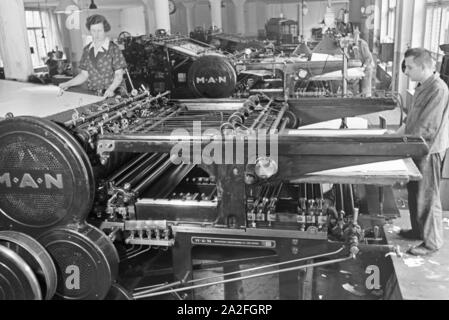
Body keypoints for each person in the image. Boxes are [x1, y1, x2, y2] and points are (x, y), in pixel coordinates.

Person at [397, 48, 449, 256]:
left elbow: (427, 127)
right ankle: (418, 231)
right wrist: (396, 135)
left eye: (410, 67)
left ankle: (432, 242)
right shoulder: (422, 86)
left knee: (427, 195)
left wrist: (400, 145)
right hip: (415, 145)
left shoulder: (438, 89)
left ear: (424, 66)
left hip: (428, 149)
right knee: (415, 192)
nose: (406, 71)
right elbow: (412, 118)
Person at [59, 15, 127, 97]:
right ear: (90, 31)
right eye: (93, 30)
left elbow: (119, 75)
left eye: (99, 30)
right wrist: (67, 84)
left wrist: (111, 89)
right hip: (95, 93)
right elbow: (84, 75)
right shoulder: (87, 50)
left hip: (115, 92)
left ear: (105, 30)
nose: (96, 34)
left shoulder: (113, 49)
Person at [352, 28, 374, 97]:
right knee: (361, 89)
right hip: (361, 68)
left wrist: (363, 67)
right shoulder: (353, 44)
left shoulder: (363, 44)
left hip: (367, 68)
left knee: (366, 89)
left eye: (356, 35)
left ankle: (367, 101)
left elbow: (369, 58)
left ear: (358, 36)